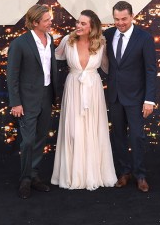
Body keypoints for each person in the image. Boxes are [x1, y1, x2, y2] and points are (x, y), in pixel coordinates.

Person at [51, 10, 117, 190]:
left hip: (93, 91)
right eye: (78, 22)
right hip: (73, 89)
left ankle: (95, 174)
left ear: (92, 27)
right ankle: (73, 174)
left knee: (94, 130)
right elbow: (53, 57)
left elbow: (108, 67)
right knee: (73, 130)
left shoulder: (101, 43)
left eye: (83, 24)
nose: (78, 26)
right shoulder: (67, 41)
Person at [103, 1, 157, 193]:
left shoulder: (144, 38)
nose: (120, 23)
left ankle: (140, 175)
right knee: (118, 136)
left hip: (136, 97)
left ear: (132, 16)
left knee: (136, 137)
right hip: (115, 96)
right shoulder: (107, 35)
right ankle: (124, 172)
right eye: (116, 19)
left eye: (124, 19)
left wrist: (149, 100)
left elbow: (151, 70)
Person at [7, 4, 58, 199]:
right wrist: (16, 103)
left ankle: (34, 176)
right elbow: (12, 76)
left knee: (40, 139)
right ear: (35, 22)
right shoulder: (20, 43)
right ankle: (25, 180)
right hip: (27, 100)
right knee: (28, 141)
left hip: (47, 96)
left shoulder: (50, 39)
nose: (50, 22)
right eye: (46, 20)